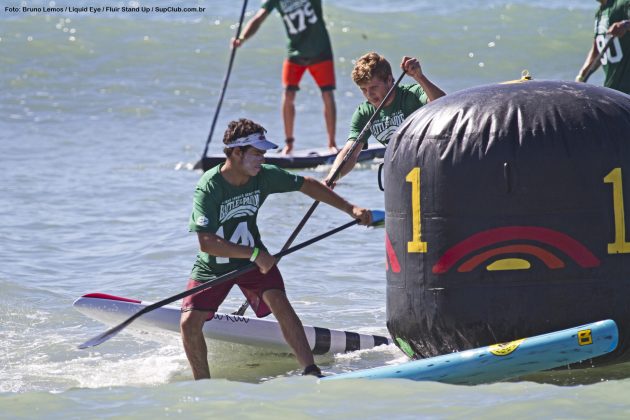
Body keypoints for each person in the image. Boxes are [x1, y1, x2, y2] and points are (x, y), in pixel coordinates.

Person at [180, 118, 372, 380]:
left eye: (264, 153)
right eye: (257, 153)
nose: (263, 158)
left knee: (280, 303)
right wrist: (255, 254)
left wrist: (351, 209)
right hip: (217, 264)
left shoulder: (264, 176)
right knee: (189, 324)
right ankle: (203, 386)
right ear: (237, 152)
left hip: (254, 260)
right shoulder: (209, 186)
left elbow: (307, 184)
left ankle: (311, 371)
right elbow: (207, 242)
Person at [232, 0, 338, 155]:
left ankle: (332, 143)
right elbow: (258, 18)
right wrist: (241, 38)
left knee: (327, 94)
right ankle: (289, 144)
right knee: (288, 94)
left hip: (320, 50)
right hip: (295, 52)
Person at [324, 52, 446, 184]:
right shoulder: (364, 113)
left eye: (373, 87)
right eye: (363, 89)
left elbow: (444, 105)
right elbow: (350, 153)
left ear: (389, 80)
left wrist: (419, 77)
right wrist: (331, 177)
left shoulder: (412, 95)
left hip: (432, 167)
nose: (369, 94)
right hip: (402, 174)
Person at [576, 0, 630, 94]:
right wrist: (581, 76)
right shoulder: (599, 13)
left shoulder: (623, 3)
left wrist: (625, 25)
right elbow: (597, 49)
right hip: (612, 88)